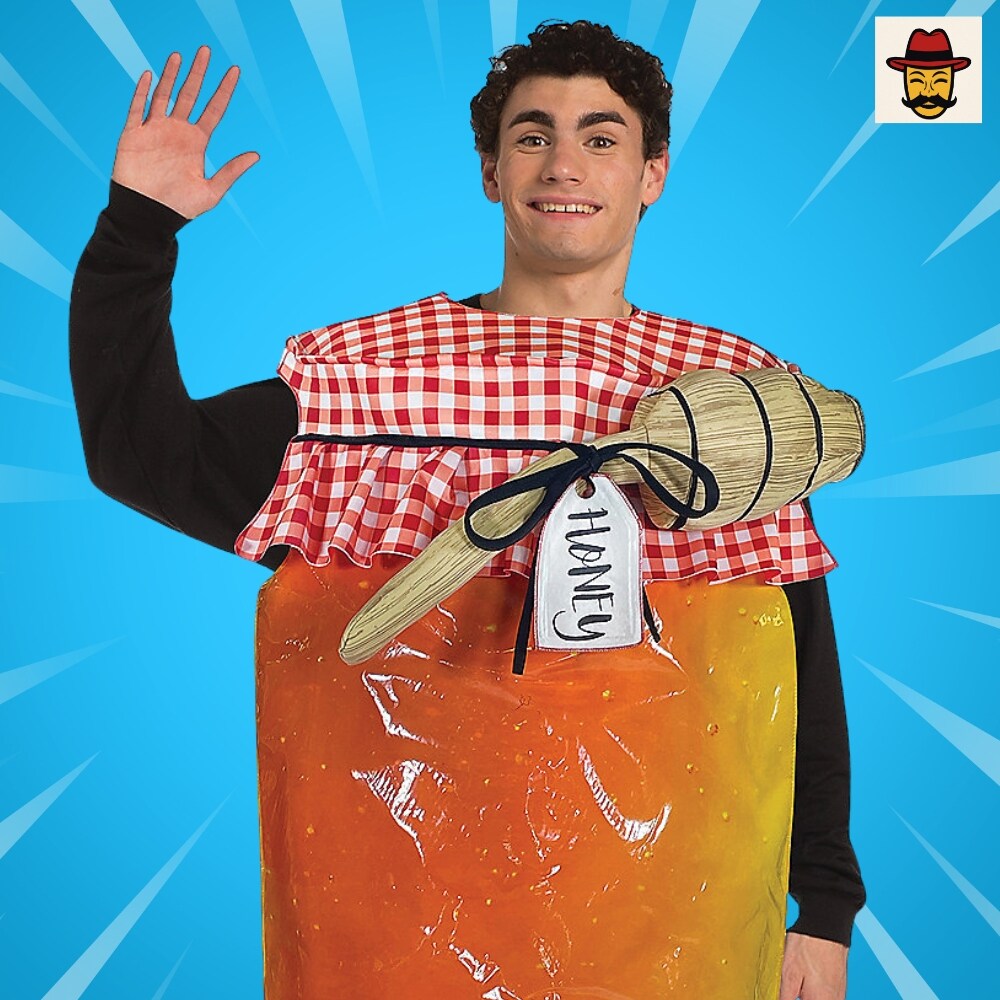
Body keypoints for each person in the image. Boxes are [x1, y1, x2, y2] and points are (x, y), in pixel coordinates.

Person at [70, 21, 865, 1000]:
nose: (563, 163)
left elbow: (795, 649)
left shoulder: (730, 398)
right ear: (492, 171)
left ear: (651, 174)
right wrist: (138, 230)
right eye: (532, 136)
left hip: (666, 924)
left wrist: (822, 907)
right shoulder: (367, 384)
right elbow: (141, 455)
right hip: (393, 933)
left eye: (601, 137)